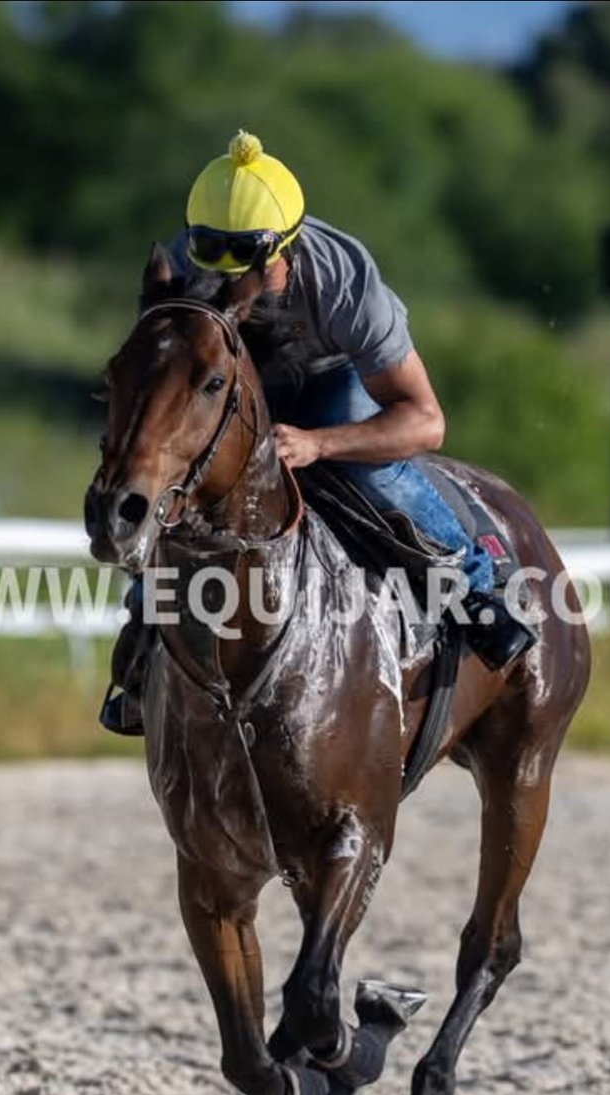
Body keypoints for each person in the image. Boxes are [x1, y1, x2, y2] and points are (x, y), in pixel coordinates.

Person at [101, 131, 535, 735]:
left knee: (372, 471)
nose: (231, 283)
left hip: (328, 384)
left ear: (286, 247)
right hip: (226, 386)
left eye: (247, 264)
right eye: (213, 259)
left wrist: (320, 444)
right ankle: (148, 633)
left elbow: (426, 421)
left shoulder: (347, 282)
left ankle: (476, 589)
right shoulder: (189, 268)